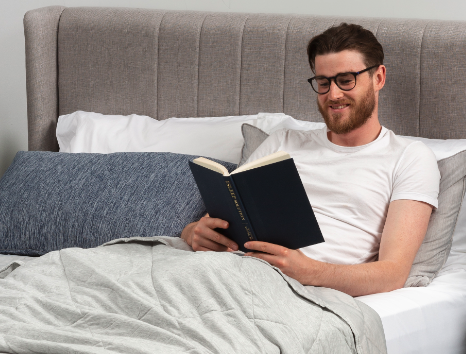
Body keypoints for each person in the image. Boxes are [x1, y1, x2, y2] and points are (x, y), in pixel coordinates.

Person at [181, 23, 440, 297]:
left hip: (299, 290)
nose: (333, 95)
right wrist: (193, 232)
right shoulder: (284, 143)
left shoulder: (410, 157)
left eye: (346, 80)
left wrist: (310, 271)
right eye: (324, 83)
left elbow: (392, 274)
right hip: (224, 270)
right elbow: (218, 220)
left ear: (378, 78)